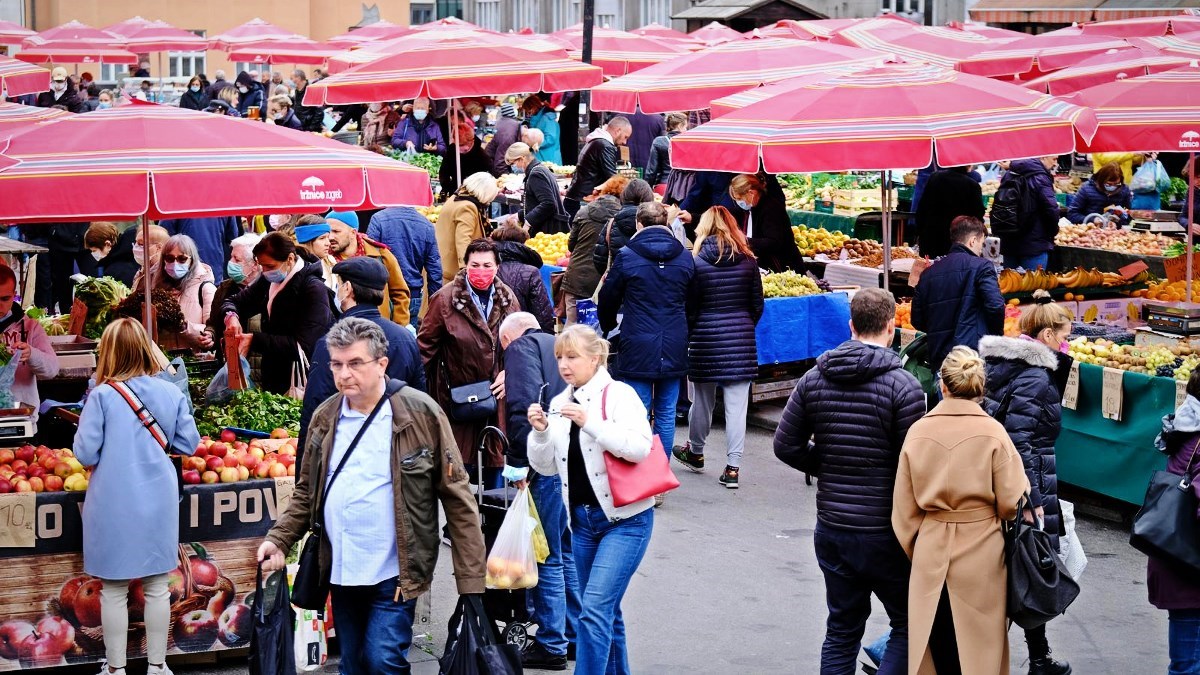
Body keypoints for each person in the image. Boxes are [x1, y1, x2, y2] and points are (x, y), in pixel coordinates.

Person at [258, 317, 486, 675]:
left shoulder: (420, 413)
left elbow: (457, 497)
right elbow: (307, 492)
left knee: (383, 661)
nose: (344, 374)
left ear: (382, 364)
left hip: (395, 570)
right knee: (353, 665)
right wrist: (279, 539)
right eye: (336, 364)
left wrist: (471, 580)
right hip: (342, 568)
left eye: (355, 363)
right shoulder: (325, 417)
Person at [774, 287, 925, 674]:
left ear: (851, 325)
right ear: (891, 328)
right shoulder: (904, 386)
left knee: (842, 628)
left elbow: (785, 445)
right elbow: (915, 464)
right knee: (909, 624)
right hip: (885, 531)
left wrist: (826, 465)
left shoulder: (814, 378)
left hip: (833, 528)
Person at [892, 346, 1030, 675]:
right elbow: (1012, 501)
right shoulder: (993, 433)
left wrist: (920, 548)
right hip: (982, 553)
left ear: (942, 385)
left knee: (936, 648)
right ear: (980, 387)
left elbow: (903, 512)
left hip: (931, 548)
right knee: (979, 652)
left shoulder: (919, 431)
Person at [73, 318, 199, 675]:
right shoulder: (171, 393)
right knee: (158, 586)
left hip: (111, 501)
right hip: (159, 500)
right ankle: (158, 666)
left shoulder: (101, 396)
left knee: (113, 590)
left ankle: (116, 668)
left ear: (109, 352)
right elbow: (188, 443)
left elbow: (84, 453)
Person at [527, 324, 654, 675]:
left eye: (572, 356)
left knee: (594, 612)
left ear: (595, 358)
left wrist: (590, 423)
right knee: (606, 613)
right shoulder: (559, 403)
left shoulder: (619, 395)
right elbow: (546, 467)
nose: (563, 365)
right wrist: (540, 433)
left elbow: (639, 448)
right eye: (559, 357)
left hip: (626, 522)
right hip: (582, 524)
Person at [978, 291, 1074, 675]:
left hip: (1003, 482)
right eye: (1064, 336)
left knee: (1020, 567)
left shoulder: (1003, 364)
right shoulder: (1036, 377)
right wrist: (1030, 500)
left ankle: (1039, 656)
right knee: (1029, 566)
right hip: (1024, 486)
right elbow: (1019, 443)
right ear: (1048, 335)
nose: (1067, 344)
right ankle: (1036, 658)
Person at [498, 312, 581, 670]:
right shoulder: (559, 345)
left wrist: (518, 466)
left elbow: (522, 409)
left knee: (546, 555)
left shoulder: (519, 348)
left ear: (509, 337)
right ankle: (573, 635)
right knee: (565, 550)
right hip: (576, 462)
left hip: (546, 462)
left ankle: (551, 643)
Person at [598, 202, 695, 481]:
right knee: (666, 412)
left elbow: (608, 297)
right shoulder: (684, 256)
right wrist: (684, 329)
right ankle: (659, 476)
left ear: (638, 224)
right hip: (674, 341)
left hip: (637, 340)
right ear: (665, 223)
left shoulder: (627, 256)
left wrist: (608, 326)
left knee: (637, 412)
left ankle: (640, 477)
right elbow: (694, 300)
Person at [299, 258, 426, 468]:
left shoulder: (332, 343)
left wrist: (303, 474)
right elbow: (419, 403)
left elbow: (315, 410)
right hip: (398, 455)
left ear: (348, 289)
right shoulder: (405, 338)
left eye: (340, 285)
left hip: (348, 456)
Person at [672, 206, 763, 488]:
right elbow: (757, 306)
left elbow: (690, 308)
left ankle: (696, 451)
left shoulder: (696, 264)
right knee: (737, 408)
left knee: (702, 401)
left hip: (705, 339)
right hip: (740, 341)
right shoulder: (749, 262)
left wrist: (694, 332)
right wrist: (742, 326)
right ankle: (733, 468)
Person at [418, 238, 519, 490]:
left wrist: (511, 371)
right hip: (457, 397)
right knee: (457, 470)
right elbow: (425, 348)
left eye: (487, 265)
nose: (481, 271)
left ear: (497, 267)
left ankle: (492, 512)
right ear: (466, 265)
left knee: (496, 465)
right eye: (475, 265)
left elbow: (521, 345)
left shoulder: (507, 298)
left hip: (497, 398)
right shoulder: (444, 300)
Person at [221, 232, 334, 394]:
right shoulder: (268, 280)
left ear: (290, 259)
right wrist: (231, 316)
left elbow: (304, 346)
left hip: (302, 378)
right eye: (262, 266)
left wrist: (255, 340)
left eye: (270, 266)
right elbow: (236, 301)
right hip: (273, 374)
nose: (265, 271)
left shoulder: (313, 289)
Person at [1150, 369, 1200, 675]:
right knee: (1188, 666)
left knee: (1186, 661)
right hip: (1190, 569)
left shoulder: (1185, 427)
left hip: (1176, 559)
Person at [911, 216, 1005, 375]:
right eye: (982, 244)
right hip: (971, 360)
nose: (981, 249)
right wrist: (994, 338)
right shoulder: (982, 267)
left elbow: (917, 320)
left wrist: (938, 330)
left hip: (940, 360)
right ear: (973, 241)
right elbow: (995, 306)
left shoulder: (928, 274)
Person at [327, 211, 412, 326]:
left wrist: (397, 326)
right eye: (328, 232)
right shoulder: (323, 258)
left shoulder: (380, 254)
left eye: (336, 231)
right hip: (341, 329)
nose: (330, 237)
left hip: (379, 328)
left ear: (353, 232)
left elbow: (400, 293)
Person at [562, 175, 626, 324]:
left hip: (577, 278)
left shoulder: (584, 211)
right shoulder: (624, 218)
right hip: (604, 282)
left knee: (572, 327)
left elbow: (571, 245)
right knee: (599, 331)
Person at [366, 207, 443, 327]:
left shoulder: (378, 219)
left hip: (382, 293)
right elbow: (435, 270)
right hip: (411, 293)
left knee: (378, 335)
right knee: (407, 335)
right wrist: (434, 307)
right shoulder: (427, 225)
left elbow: (369, 256)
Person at [0, 265, 60, 417]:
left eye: (5, 299)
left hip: (21, 417)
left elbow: (52, 370)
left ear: (14, 295)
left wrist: (31, 354)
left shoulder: (31, 327)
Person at [724, 174, 804, 272]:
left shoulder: (771, 209)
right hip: (768, 265)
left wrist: (744, 241)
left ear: (751, 193)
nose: (738, 202)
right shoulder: (753, 208)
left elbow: (774, 242)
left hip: (783, 266)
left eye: (740, 199)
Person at [150, 235, 217, 352]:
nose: (175, 263)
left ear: (192, 260)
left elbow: (212, 330)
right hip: (164, 358)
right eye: (170, 258)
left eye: (182, 258)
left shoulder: (206, 288)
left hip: (195, 358)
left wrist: (184, 326)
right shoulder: (155, 287)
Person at [206, 233, 261, 369]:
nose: (230, 262)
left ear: (255, 264)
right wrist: (210, 335)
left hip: (259, 369)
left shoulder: (267, 290)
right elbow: (213, 323)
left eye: (237, 259)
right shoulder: (224, 288)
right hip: (228, 367)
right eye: (231, 257)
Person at [997, 156, 1061, 271]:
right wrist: (1052, 232)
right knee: (1033, 282)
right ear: (1043, 157)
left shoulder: (1009, 174)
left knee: (1011, 281)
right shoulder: (1041, 177)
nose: (1055, 163)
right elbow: (1051, 210)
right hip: (1034, 245)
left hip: (1009, 242)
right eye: (1054, 159)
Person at [435, 172, 499, 284]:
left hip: (441, 265)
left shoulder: (456, 198)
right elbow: (463, 240)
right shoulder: (467, 207)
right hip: (451, 272)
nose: (489, 202)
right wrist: (467, 270)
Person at [491, 225, 556, 333]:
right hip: (520, 334)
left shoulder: (483, 268)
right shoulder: (530, 272)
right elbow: (542, 313)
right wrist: (546, 338)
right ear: (522, 244)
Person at [565, 116, 632, 219]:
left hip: (576, 198)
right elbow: (613, 178)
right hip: (583, 200)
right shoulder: (605, 145)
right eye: (625, 137)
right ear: (618, 131)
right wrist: (632, 191)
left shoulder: (597, 141)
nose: (625, 142)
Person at [916, 166, 986, 259]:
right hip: (957, 241)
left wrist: (919, 231)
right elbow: (977, 216)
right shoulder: (972, 185)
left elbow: (922, 208)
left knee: (930, 267)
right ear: (968, 165)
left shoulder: (935, 177)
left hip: (931, 238)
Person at [592, 179, 655, 276]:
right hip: (652, 281)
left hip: (620, 281)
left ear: (624, 197)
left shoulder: (611, 224)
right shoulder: (660, 223)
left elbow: (599, 260)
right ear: (650, 198)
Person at [506, 142, 568, 236]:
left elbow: (548, 203)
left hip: (548, 232)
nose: (513, 167)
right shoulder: (539, 169)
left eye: (512, 163)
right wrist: (519, 215)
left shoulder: (536, 174)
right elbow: (536, 203)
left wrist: (528, 222)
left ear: (522, 159)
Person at [156, 216, 240, 285]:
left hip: (183, 271)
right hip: (213, 271)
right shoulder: (223, 204)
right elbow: (232, 236)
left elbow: (163, 236)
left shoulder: (174, 202)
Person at [46, 222, 99, 313]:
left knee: (92, 280)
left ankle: (93, 312)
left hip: (86, 239)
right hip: (61, 239)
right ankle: (66, 314)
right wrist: (54, 230)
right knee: (63, 283)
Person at [438, 117, 491, 197]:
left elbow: (487, 179)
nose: (462, 149)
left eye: (465, 145)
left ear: (472, 141)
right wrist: (446, 188)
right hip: (454, 191)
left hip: (475, 194)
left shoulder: (482, 156)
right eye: (459, 145)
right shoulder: (451, 150)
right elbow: (444, 171)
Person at [288, 216, 338, 290]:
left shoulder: (330, 261)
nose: (328, 243)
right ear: (307, 241)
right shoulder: (296, 267)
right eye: (322, 238)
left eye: (328, 237)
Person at [85, 222, 138, 287]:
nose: (93, 254)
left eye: (94, 250)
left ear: (107, 244)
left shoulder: (113, 270)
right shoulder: (126, 248)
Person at [645, 113, 685, 188]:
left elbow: (651, 170)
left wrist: (648, 187)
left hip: (663, 184)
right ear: (680, 126)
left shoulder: (659, 141)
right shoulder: (688, 142)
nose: (686, 130)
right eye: (685, 127)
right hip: (682, 186)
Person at [484, 102, 522, 177]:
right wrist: (507, 178)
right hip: (495, 166)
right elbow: (500, 162)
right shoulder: (510, 131)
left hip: (490, 161)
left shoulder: (501, 122)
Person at [524, 96, 561, 166]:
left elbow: (550, 138)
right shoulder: (539, 118)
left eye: (528, 110)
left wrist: (535, 144)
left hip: (549, 158)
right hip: (543, 157)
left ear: (533, 107)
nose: (528, 113)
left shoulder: (548, 118)